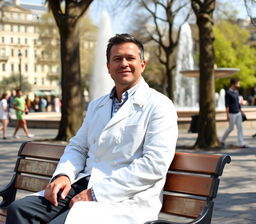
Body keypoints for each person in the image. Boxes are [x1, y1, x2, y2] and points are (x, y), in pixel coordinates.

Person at [6, 34, 178, 224]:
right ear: (108, 67)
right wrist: (64, 175)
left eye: (130, 58)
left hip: (124, 197)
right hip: (82, 183)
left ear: (142, 64)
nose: (124, 64)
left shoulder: (159, 105)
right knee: (19, 210)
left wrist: (96, 193)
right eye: (117, 59)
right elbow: (78, 147)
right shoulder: (98, 105)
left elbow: (154, 164)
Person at [220, 78, 247, 148]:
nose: (239, 84)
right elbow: (227, 105)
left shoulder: (236, 92)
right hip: (232, 113)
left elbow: (238, 103)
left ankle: (242, 144)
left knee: (240, 128)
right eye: (238, 83)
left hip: (238, 113)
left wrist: (241, 111)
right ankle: (222, 140)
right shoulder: (228, 92)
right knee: (230, 128)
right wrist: (227, 114)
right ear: (234, 84)